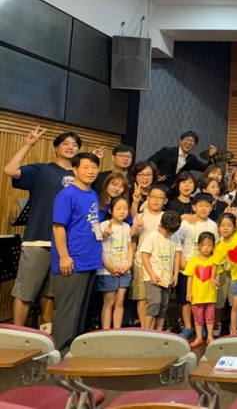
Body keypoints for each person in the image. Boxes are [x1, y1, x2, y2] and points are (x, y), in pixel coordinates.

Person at [3, 127, 84, 326]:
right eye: (65, 143)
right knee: (25, 292)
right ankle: (18, 334)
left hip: (65, 246)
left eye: (74, 145)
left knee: (51, 295)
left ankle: (45, 334)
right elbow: (9, 170)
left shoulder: (82, 176)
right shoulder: (42, 170)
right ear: (56, 148)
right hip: (38, 240)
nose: (70, 147)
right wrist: (28, 145)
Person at [50, 152, 102, 355]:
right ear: (75, 169)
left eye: (94, 167)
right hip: (73, 260)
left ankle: (74, 352)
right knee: (67, 312)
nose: (90, 171)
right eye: (85, 167)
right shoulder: (67, 195)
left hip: (90, 258)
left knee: (81, 311)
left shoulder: (92, 194)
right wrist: (64, 256)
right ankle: (60, 355)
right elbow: (58, 227)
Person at [177, 193, 219, 339]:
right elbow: (178, 242)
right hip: (187, 265)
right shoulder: (186, 223)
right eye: (200, 206)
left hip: (207, 268)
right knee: (187, 298)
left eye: (207, 206)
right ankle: (189, 326)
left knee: (205, 299)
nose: (204, 209)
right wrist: (182, 260)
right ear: (194, 207)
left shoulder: (213, 225)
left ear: (211, 207)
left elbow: (216, 247)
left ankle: (202, 327)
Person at [130, 183, 168, 328]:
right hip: (141, 262)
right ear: (148, 198)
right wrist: (136, 226)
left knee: (157, 299)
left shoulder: (166, 217)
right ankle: (145, 329)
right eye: (153, 197)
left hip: (160, 264)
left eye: (160, 197)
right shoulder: (140, 216)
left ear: (165, 200)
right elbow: (132, 237)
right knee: (142, 297)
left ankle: (155, 330)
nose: (156, 200)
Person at [139, 209, 182, 331]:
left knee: (164, 304)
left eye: (172, 232)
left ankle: (159, 331)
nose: (169, 234)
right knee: (155, 302)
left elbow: (177, 255)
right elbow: (145, 256)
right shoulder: (151, 237)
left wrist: (175, 274)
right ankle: (146, 331)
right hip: (153, 277)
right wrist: (151, 274)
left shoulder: (175, 237)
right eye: (167, 232)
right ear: (161, 225)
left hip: (167, 278)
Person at [96, 195, 134, 329]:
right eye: (118, 208)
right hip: (107, 270)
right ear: (111, 210)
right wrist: (108, 266)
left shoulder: (127, 227)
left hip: (124, 269)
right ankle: (106, 331)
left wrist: (129, 263)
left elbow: (129, 247)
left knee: (120, 300)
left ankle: (117, 330)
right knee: (109, 301)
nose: (122, 211)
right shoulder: (102, 225)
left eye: (125, 208)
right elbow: (97, 247)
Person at [147, 131, 217, 190]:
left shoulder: (192, 159)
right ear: (181, 141)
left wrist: (211, 156)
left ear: (194, 146)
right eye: (187, 139)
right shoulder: (167, 151)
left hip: (176, 191)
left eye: (192, 141)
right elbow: (149, 163)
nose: (189, 142)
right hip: (159, 186)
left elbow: (208, 169)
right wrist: (155, 175)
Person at [184, 231, 218, 347]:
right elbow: (189, 277)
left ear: (213, 247)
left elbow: (217, 274)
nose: (206, 248)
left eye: (209, 245)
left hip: (210, 295)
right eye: (204, 245)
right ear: (198, 245)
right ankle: (199, 337)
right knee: (198, 318)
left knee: (210, 317)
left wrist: (216, 281)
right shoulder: (193, 261)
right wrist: (189, 292)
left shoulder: (214, 260)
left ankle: (210, 336)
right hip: (197, 295)